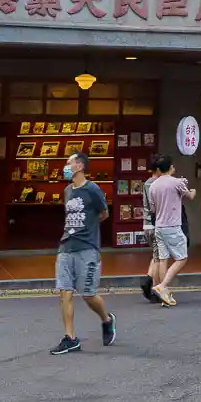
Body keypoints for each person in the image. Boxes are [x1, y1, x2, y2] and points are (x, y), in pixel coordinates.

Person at [49, 150, 114, 353]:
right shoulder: (68, 190)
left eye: (69, 163)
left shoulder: (93, 190)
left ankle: (106, 319)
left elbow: (104, 213)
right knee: (64, 292)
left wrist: (90, 228)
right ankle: (71, 337)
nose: (66, 167)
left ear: (80, 166)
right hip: (66, 247)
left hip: (87, 248)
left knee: (88, 294)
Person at [145, 154, 195, 308]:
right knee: (182, 258)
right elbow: (190, 196)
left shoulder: (153, 185)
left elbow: (152, 208)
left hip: (159, 226)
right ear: (169, 168)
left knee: (162, 258)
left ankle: (163, 293)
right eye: (172, 166)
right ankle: (163, 286)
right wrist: (192, 189)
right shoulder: (176, 183)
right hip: (173, 225)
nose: (174, 168)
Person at [139, 159, 165, 305]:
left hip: (147, 224)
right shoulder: (158, 184)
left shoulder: (147, 183)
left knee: (156, 256)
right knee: (159, 258)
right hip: (157, 224)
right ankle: (151, 284)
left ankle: (150, 283)